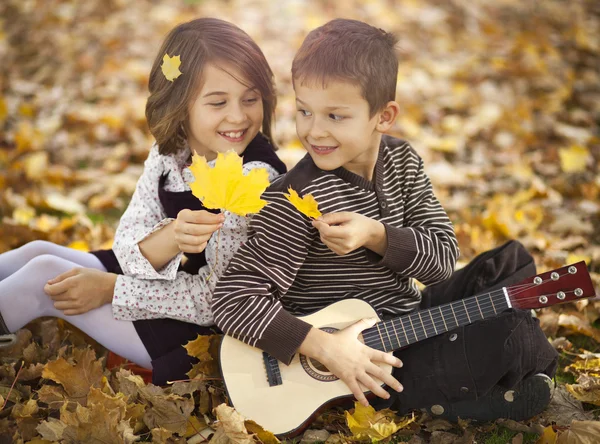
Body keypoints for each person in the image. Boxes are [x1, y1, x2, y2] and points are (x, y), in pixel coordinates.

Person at [212, 18, 558, 421]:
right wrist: (327, 349)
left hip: (406, 314)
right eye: (304, 111)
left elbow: (442, 264)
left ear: (384, 115)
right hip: (362, 360)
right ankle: (485, 378)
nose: (313, 130)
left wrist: (378, 236)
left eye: (335, 116)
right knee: (511, 336)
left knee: (511, 262)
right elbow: (233, 300)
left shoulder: (403, 162)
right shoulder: (295, 200)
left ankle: (492, 351)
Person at [0, 18, 286, 385]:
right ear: (180, 107)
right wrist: (167, 241)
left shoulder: (254, 180)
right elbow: (127, 241)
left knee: (44, 278)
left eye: (251, 99)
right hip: (165, 287)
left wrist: (111, 289)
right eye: (218, 102)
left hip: (210, 335)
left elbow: (220, 299)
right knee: (35, 252)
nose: (239, 115)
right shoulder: (173, 154)